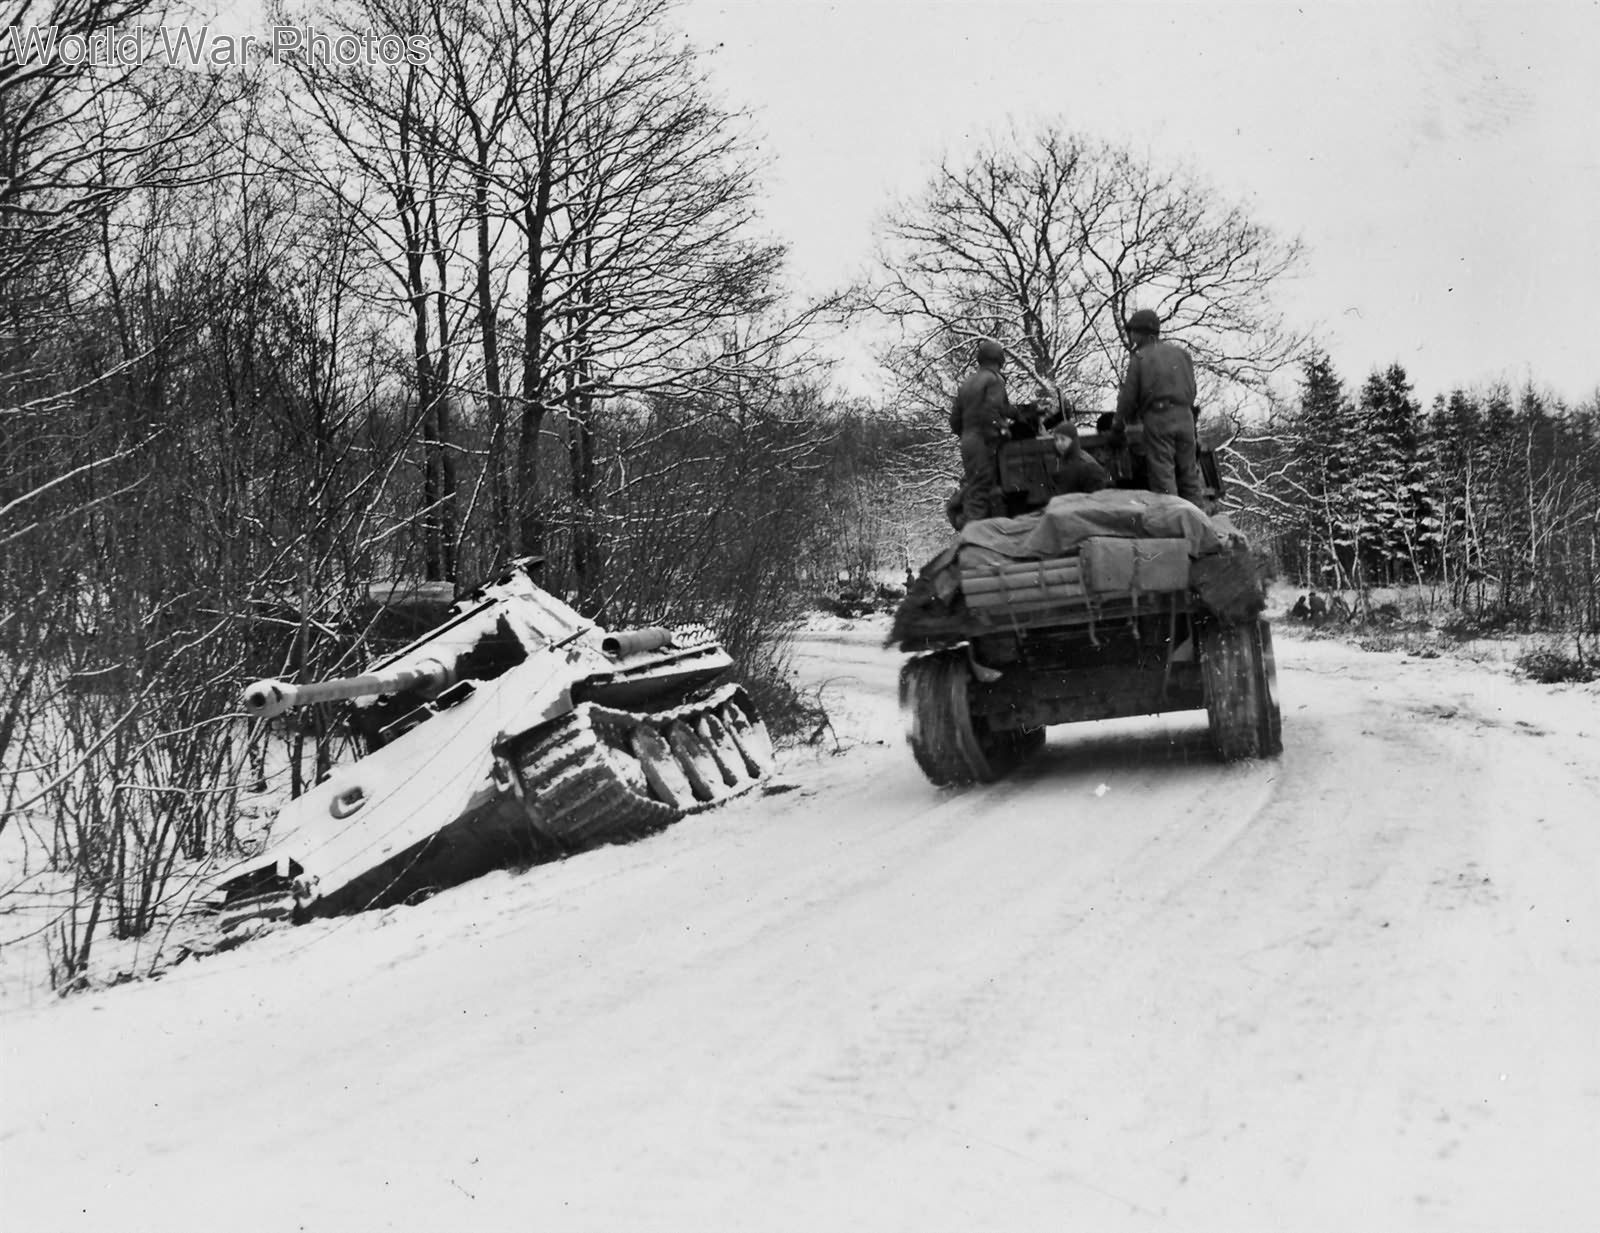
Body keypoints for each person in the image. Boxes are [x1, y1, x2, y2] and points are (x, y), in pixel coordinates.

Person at [1113, 308, 1206, 508]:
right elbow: (1193, 389)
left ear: (1138, 332)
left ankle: (1174, 526)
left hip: (1158, 418)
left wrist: (1117, 428)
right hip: (1185, 417)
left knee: (1163, 478)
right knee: (1189, 475)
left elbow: (1128, 399)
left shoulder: (1139, 357)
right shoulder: (1182, 354)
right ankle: (1198, 526)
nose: (1130, 336)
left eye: (1131, 331)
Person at [950, 338, 1019, 524]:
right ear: (1000, 359)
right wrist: (1000, 434)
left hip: (969, 442)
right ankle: (974, 539)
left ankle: (971, 530)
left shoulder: (967, 383)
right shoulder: (994, 379)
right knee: (983, 491)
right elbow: (993, 411)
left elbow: (955, 420)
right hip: (984, 442)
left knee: (975, 487)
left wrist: (968, 433)